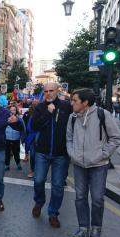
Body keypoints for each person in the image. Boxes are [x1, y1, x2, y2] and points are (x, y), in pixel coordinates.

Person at [67, 88, 120, 237]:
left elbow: (116, 138)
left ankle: (96, 227)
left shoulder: (102, 115)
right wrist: (73, 153)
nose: (72, 103)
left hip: (99, 165)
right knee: (80, 197)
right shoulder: (72, 117)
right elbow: (69, 139)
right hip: (79, 164)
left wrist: (102, 154)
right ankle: (83, 228)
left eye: (74, 100)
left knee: (97, 198)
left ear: (85, 103)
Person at [30, 82, 72, 228]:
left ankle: (53, 213)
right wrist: (48, 113)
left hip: (61, 154)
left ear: (58, 91)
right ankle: (39, 201)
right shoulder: (40, 107)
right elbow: (34, 126)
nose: (48, 93)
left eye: (51, 90)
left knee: (57, 186)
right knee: (39, 180)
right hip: (42, 152)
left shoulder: (67, 107)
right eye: (46, 91)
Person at [5, 105, 25, 171]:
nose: (12, 111)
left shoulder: (19, 118)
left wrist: (23, 138)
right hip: (7, 138)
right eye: (11, 110)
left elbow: (23, 128)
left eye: (14, 110)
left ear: (16, 111)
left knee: (16, 152)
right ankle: (7, 165)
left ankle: (18, 163)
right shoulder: (6, 118)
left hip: (16, 138)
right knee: (7, 152)